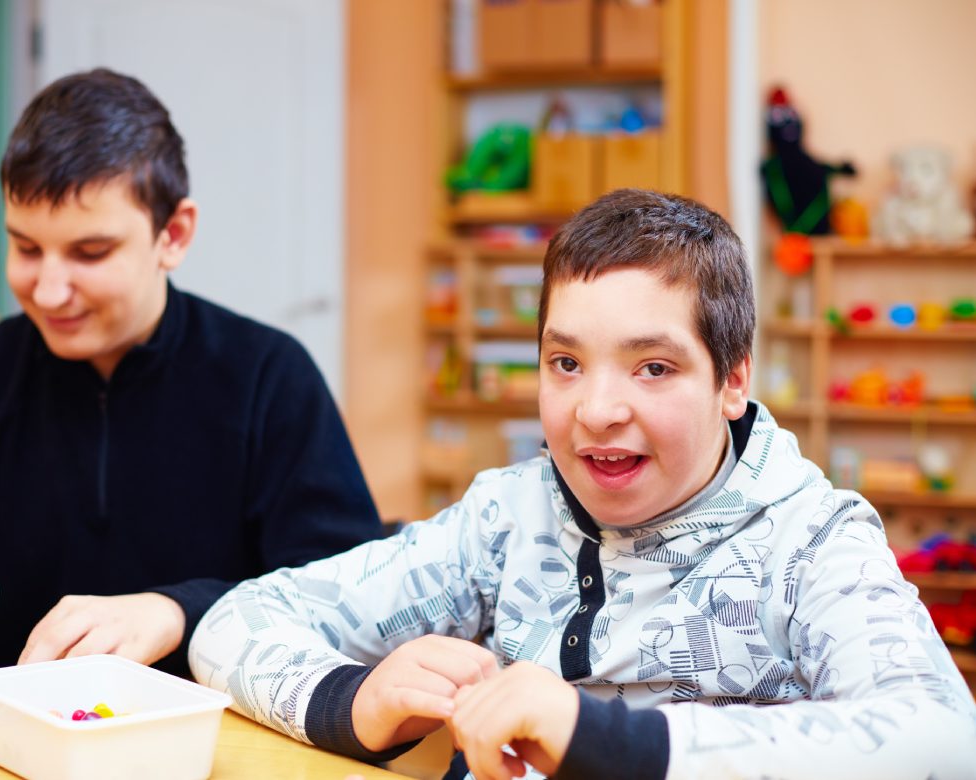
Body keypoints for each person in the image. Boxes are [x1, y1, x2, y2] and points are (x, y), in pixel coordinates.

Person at [190, 189, 976, 779]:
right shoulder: (505, 516)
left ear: (732, 380)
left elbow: (944, 740)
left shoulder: (813, 542)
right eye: (566, 363)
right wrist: (354, 700)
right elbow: (235, 622)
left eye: (654, 368)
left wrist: (597, 737)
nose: (597, 411)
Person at [0, 68, 383, 689]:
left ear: (174, 234)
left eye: (89, 253)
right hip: (14, 749)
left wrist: (179, 612)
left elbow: (349, 601)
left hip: (216, 747)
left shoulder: (269, 375)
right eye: (26, 248)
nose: (48, 291)